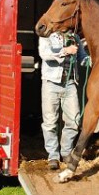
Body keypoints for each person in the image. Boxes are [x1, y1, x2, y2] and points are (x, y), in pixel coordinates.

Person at [38, 30, 91, 170]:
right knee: (50, 123)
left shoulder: (75, 37)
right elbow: (44, 53)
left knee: (74, 121)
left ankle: (66, 151)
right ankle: (53, 156)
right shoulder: (46, 36)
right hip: (51, 84)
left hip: (70, 84)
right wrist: (66, 50)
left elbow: (82, 57)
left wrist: (89, 60)